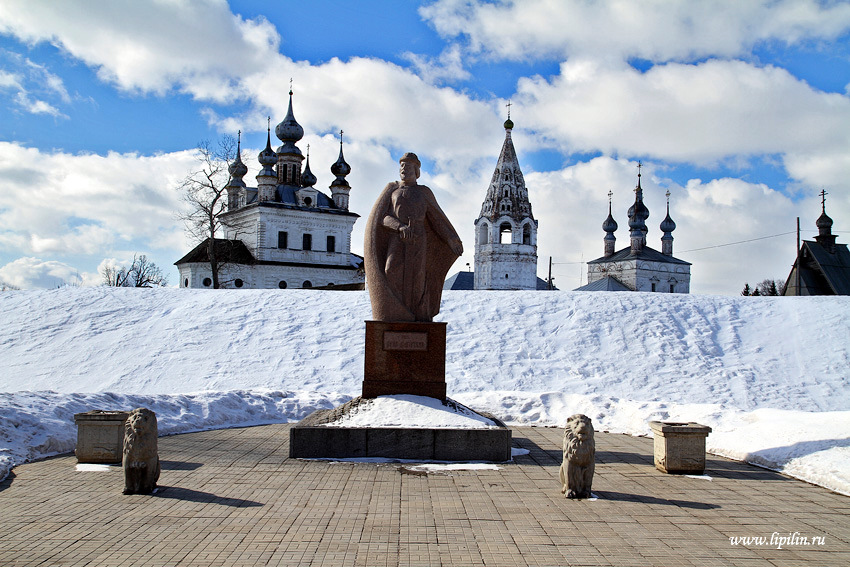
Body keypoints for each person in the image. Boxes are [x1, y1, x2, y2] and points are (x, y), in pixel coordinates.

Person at [364, 152, 463, 322]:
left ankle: (417, 315)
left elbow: (437, 219)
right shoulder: (392, 190)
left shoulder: (424, 192)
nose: (404, 169)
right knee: (391, 270)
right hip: (398, 237)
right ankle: (395, 311)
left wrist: (451, 239)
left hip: (418, 238)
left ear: (416, 171)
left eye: (408, 166)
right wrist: (399, 226)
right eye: (402, 166)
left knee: (418, 277)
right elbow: (383, 217)